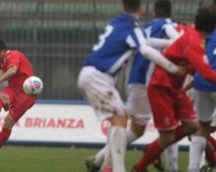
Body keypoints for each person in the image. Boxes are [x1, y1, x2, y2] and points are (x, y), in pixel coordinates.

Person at [77, 0, 185, 171]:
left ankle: (106, 165)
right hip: (99, 77)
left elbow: (147, 41)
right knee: (120, 119)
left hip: (94, 75)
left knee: (121, 117)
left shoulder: (119, 23)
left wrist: (168, 44)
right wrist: (172, 67)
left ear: (122, 7)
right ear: (142, 8)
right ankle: (115, 168)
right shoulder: (134, 27)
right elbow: (146, 50)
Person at [132, 4, 216, 172]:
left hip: (175, 88)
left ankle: (154, 149)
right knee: (169, 136)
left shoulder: (193, 34)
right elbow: (204, 71)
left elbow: (196, 68)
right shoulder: (194, 41)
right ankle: (140, 166)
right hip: (161, 87)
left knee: (194, 126)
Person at [188, 27, 216, 171]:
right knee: (198, 130)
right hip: (210, 82)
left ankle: (196, 167)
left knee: (199, 129)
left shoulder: (205, 37)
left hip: (201, 84)